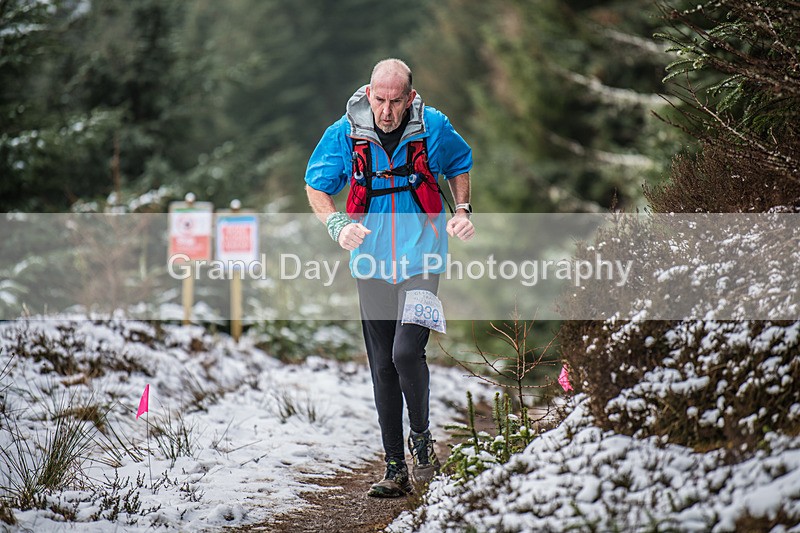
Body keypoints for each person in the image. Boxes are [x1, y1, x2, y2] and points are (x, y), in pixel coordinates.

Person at [305, 58, 474, 498]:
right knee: (381, 364)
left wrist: (463, 210)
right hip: (370, 263)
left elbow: (459, 162)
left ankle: (422, 442)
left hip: (423, 261)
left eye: (395, 101)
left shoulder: (433, 127)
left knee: (404, 353)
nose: (385, 110)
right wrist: (337, 225)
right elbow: (315, 185)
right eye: (379, 99)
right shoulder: (345, 132)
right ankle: (394, 466)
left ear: (410, 98)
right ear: (368, 92)